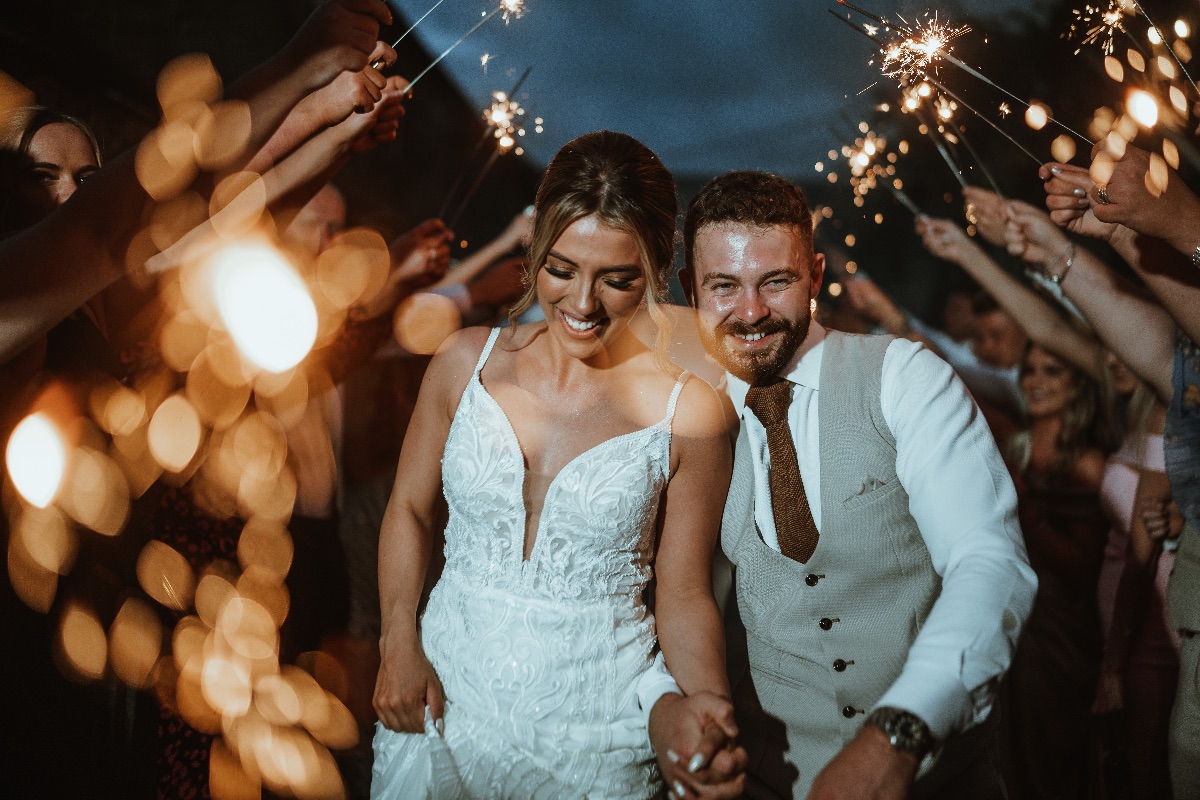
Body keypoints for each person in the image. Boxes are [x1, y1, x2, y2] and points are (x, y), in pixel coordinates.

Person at [371, 130, 740, 799]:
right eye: (562, 269)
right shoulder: (463, 361)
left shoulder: (692, 414)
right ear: (535, 250)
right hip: (438, 708)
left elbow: (684, 593)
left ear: (658, 269)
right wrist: (396, 641)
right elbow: (409, 509)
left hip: (593, 740)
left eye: (617, 280)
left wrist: (706, 710)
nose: (582, 303)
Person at [674, 170, 1037, 799]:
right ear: (691, 290)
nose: (751, 311)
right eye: (724, 286)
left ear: (815, 275)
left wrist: (901, 732)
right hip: (773, 781)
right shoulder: (690, 418)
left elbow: (988, 562)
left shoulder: (904, 378)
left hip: (937, 779)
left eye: (776, 282)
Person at [999, 343, 1114, 799]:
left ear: (1078, 384)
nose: (1036, 382)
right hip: (1010, 617)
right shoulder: (1015, 448)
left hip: (1059, 629)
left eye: (1052, 371)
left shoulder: (1086, 462)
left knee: (1052, 751)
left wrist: (1026, 512)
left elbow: (1082, 567)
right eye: (1029, 370)